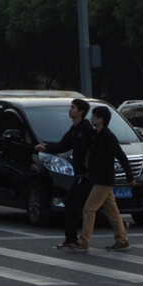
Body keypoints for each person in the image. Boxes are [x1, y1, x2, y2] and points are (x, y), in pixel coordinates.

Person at [69, 106, 136, 253]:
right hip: (98, 178)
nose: (92, 118)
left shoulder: (108, 137)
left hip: (104, 180)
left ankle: (83, 242)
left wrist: (130, 177)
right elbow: (93, 157)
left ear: (101, 119)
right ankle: (122, 240)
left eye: (94, 116)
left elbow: (121, 156)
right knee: (112, 212)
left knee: (89, 209)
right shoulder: (96, 135)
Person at [35, 98, 95, 249]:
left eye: (73, 108)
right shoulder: (74, 129)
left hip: (86, 175)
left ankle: (72, 239)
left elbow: (94, 150)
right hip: (79, 173)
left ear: (81, 111)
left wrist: (89, 169)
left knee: (72, 204)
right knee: (106, 206)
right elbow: (63, 145)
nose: (70, 110)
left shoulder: (86, 129)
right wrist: (46, 149)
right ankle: (121, 228)